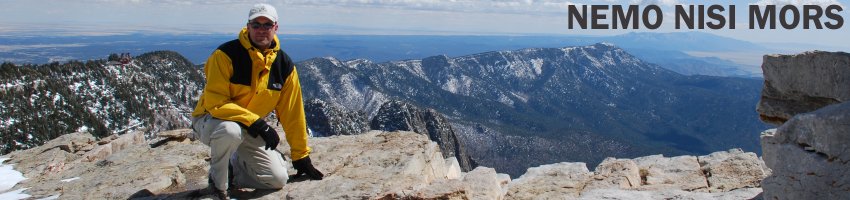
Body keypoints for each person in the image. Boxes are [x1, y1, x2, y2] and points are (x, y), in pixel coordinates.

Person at [190, 3, 323, 199]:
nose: (261, 30)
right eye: (256, 25)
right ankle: (218, 186)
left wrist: (300, 154)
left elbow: (293, 112)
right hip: (211, 120)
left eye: (267, 25)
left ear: (275, 28)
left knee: (278, 179)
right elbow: (215, 103)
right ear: (248, 26)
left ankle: (234, 171)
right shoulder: (226, 55)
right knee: (230, 131)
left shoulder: (284, 66)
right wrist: (257, 122)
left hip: (248, 127)